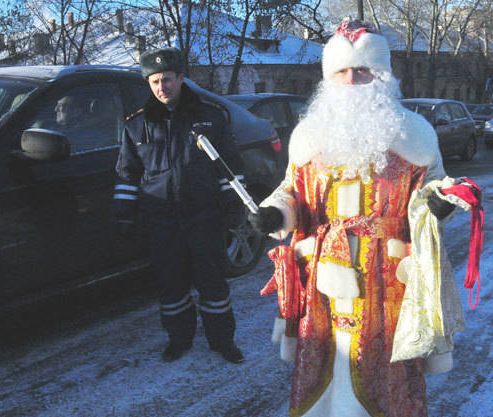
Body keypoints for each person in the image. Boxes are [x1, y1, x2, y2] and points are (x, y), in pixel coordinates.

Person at [248, 19, 470, 416]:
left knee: (384, 365)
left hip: (386, 277)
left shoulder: (414, 135)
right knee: (326, 354)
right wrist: (275, 212)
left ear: (381, 75)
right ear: (329, 78)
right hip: (323, 275)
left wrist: (440, 204)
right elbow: (291, 190)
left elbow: (433, 186)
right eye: (342, 71)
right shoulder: (310, 136)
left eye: (363, 70)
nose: (352, 80)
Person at [113, 47, 246, 364]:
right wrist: (123, 213)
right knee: (171, 285)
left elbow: (229, 166)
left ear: (181, 78)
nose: (162, 87)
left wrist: (233, 202)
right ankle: (179, 339)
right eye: (155, 81)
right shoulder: (137, 126)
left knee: (213, 283)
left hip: (204, 217)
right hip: (162, 221)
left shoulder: (210, 117)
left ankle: (222, 341)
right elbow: (127, 173)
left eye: (168, 80)